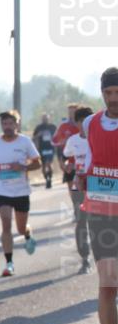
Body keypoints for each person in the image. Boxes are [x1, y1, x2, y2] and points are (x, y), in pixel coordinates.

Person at [80, 67, 118, 324]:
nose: (114, 98)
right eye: (108, 93)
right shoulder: (90, 123)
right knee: (108, 285)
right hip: (102, 215)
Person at [0, 110, 40, 276]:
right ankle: (9, 263)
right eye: (4, 124)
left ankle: (27, 234)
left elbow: (38, 163)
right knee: (6, 224)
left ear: (17, 124)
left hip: (21, 191)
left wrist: (23, 167)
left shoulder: (25, 142)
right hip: (2, 191)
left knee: (21, 229)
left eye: (10, 123)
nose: (7, 127)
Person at [62, 106, 94, 275]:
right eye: (80, 121)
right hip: (78, 186)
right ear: (76, 123)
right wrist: (68, 166)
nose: (83, 124)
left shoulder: (98, 137)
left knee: (99, 224)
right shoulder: (73, 140)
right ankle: (85, 258)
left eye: (86, 121)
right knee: (81, 222)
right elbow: (66, 157)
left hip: (97, 185)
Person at [32, 113, 57, 189]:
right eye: (43, 118)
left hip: (50, 147)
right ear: (41, 119)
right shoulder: (39, 127)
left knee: (49, 163)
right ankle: (46, 179)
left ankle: (50, 178)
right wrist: (38, 135)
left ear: (49, 119)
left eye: (46, 118)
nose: (45, 120)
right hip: (42, 148)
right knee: (43, 166)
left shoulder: (52, 127)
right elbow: (33, 138)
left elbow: (58, 136)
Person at [53, 103, 81, 169]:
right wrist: (60, 160)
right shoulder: (63, 125)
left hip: (80, 158)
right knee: (68, 178)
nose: (70, 114)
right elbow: (56, 142)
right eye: (69, 112)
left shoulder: (83, 124)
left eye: (73, 112)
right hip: (68, 159)